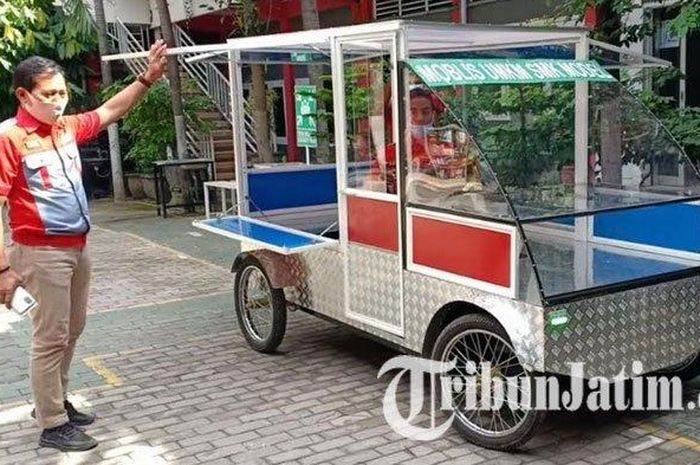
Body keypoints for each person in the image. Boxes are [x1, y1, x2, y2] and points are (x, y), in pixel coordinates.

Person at [0, 41, 168, 452]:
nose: (58, 102)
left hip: (78, 246)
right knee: (50, 336)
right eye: (48, 95)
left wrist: (147, 77)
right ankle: (52, 424)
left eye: (62, 93)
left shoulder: (66, 127)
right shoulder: (10, 137)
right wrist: (3, 268)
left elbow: (111, 110)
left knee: (71, 331)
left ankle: (55, 402)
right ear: (24, 95)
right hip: (40, 252)